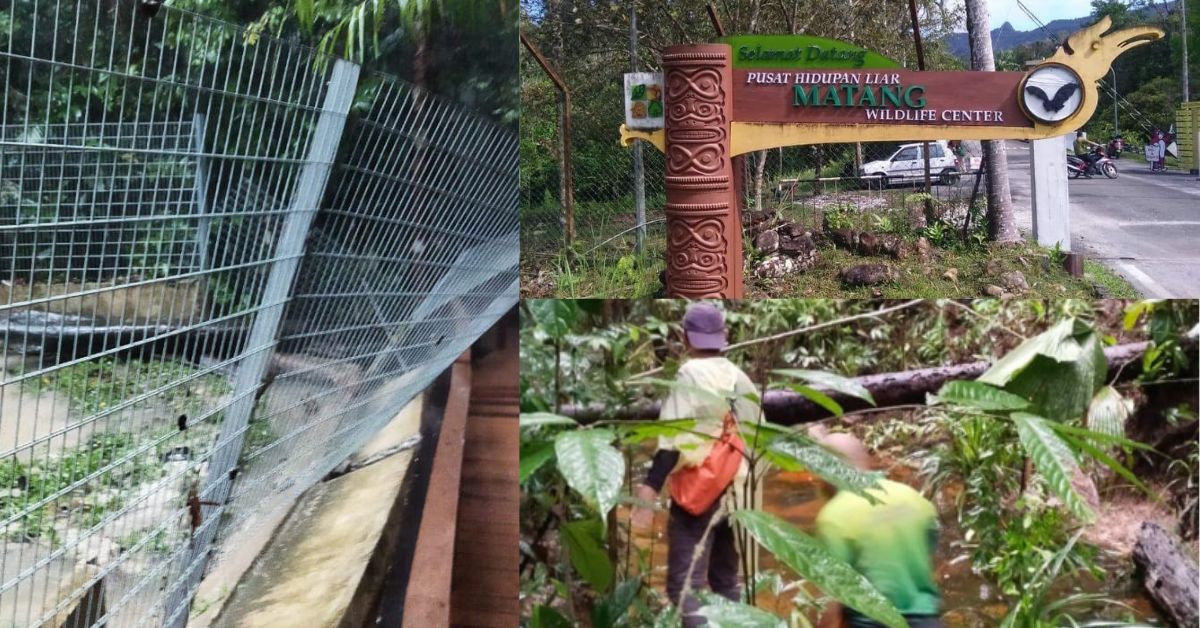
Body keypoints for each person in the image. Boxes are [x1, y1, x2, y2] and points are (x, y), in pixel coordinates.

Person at [631, 302, 758, 627]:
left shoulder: (689, 374)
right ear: (724, 336)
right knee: (726, 583)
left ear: (685, 337)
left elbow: (672, 443)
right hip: (740, 496)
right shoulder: (742, 378)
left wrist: (648, 491)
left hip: (698, 496)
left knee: (684, 588)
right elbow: (757, 439)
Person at [813, 432, 943, 628]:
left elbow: (830, 600)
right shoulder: (914, 499)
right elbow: (931, 563)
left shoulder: (833, 518)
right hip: (927, 621)